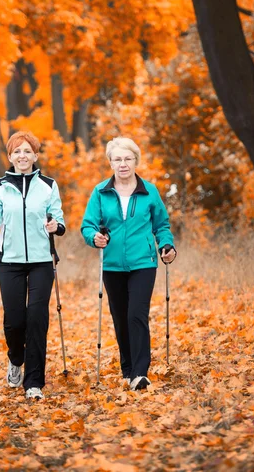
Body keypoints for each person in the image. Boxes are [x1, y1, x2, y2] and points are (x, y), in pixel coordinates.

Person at [81, 137, 176, 391]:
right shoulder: (100, 192)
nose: (123, 164)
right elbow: (88, 225)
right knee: (120, 317)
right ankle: (127, 368)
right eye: (117, 159)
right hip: (111, 265)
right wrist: (94, 237)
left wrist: (167, 246)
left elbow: (162, 225)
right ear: (110, 162)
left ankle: (140, 372)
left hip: (143, 262)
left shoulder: (149, 191)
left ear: (135, 161)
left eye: (127, 159)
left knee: (137, 314)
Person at [0, 131, 65, 401]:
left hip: (41, 260)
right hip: (10, 261)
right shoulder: (0, 185)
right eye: (17, 151)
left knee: (37, 318)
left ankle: (34, 382)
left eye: (28, 151)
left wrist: (55, 226)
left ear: (36, 156)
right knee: (15, 321)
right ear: (10, 157)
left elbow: (59, 221)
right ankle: (16, 359)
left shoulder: (49, 185)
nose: (23, 156)